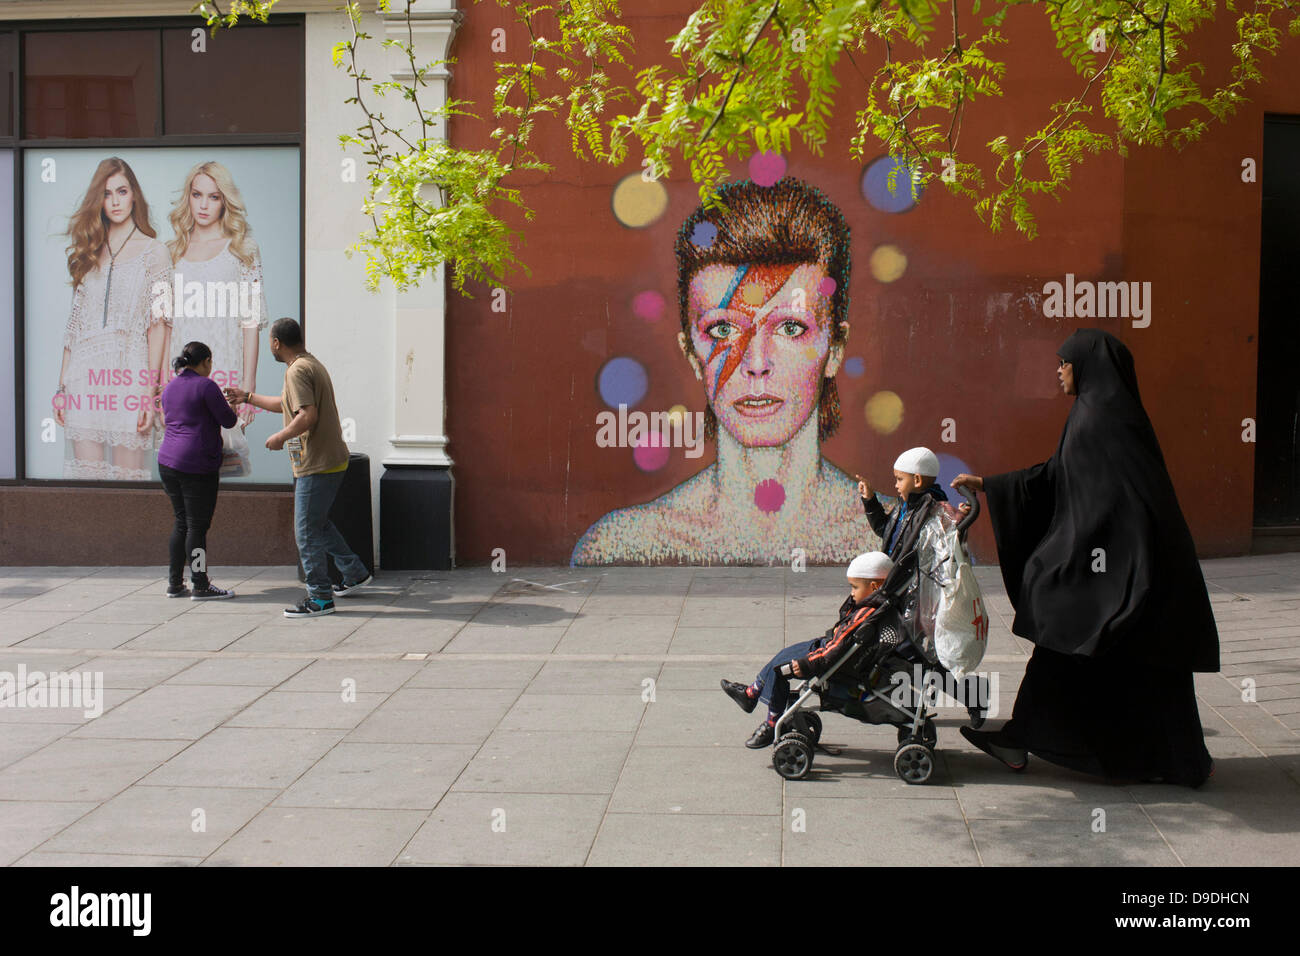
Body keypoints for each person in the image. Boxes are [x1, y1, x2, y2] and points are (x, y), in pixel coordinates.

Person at [952, 328, 1219, 787]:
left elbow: (1110, 501)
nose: (1058, 371)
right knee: (1115, 663)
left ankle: (1027, 739)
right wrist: (993, 485)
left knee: (1076, 643)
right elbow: (1059, 474)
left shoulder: (1100, 421)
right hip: (1123, 567)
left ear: (1087, 367)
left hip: (1124, 568)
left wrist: (1072, 561)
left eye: (1064, 363)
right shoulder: (1096, 415)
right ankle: (1168, 760)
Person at [572, 177, 884, 565]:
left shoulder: (895, 539)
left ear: (834, 348)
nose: (755, 364)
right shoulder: (623, 548)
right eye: (723, 330)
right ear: (690, 353)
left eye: (790, 328)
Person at [223, 318, 371, 617]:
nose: (270, 348)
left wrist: (281, 436)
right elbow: (288, 404)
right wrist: (248, 397)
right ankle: (353, 572)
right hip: (331, 459)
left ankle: (319, 597)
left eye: (270, 343)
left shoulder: (297, 370)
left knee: (305, 531)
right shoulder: (309, 364)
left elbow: (307, 415)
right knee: (318, 523)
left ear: (277, 342)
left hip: (315, 462)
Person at [54, 157, 171, 480]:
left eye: (122, 191)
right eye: (107, 194)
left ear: (134, 194)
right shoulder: (88, 251)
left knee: (128, 487)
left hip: (129, 376)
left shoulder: (155, 252)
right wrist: (62, 388)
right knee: (88, 486)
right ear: (99, 200)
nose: (116, 200)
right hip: (84, 378)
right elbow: (73, 328)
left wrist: (149, 393)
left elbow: (158, 325)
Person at [721, 551, 894, 748]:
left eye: (854, 587)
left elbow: (838, 647)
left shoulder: (866, 614)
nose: (851, 593)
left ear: (874, 587)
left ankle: (772, 723)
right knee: (783, 655)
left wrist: (807, 663)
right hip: (828, 650)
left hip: (829, 659)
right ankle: (751, 693)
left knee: (781, 670)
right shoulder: (873, 606)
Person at [166, 161, 269, 450]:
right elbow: (165, 324)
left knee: (224, 460)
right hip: (180, 370)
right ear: (188, 196)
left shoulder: (242, 249)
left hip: (225, 367)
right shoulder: (171, 251)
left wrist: (248, 389)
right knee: (183, 460)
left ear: (225, 201)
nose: (203, 205)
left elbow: (251, 322)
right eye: (197, 194)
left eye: (214, 197)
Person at [157, 341, 238, 599]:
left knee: (182, 522)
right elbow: (229, 420)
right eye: (210, 363)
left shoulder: (170, 387)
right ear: (205, 362)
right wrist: (233, 406)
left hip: (168, 462)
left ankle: (174, 583)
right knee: (197, 526)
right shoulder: (206, 386)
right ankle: (201, 584)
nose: (211, 368)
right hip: (196, 464)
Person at [858, 445, 968, 560]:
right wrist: (870, 499)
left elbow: (946, 546)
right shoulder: (905, 505)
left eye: (899, 479)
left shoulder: (934, 510)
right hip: (894, 571)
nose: (896, 485)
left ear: (917, 480)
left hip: (911, 576)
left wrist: (958, 518)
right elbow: (886, 531)